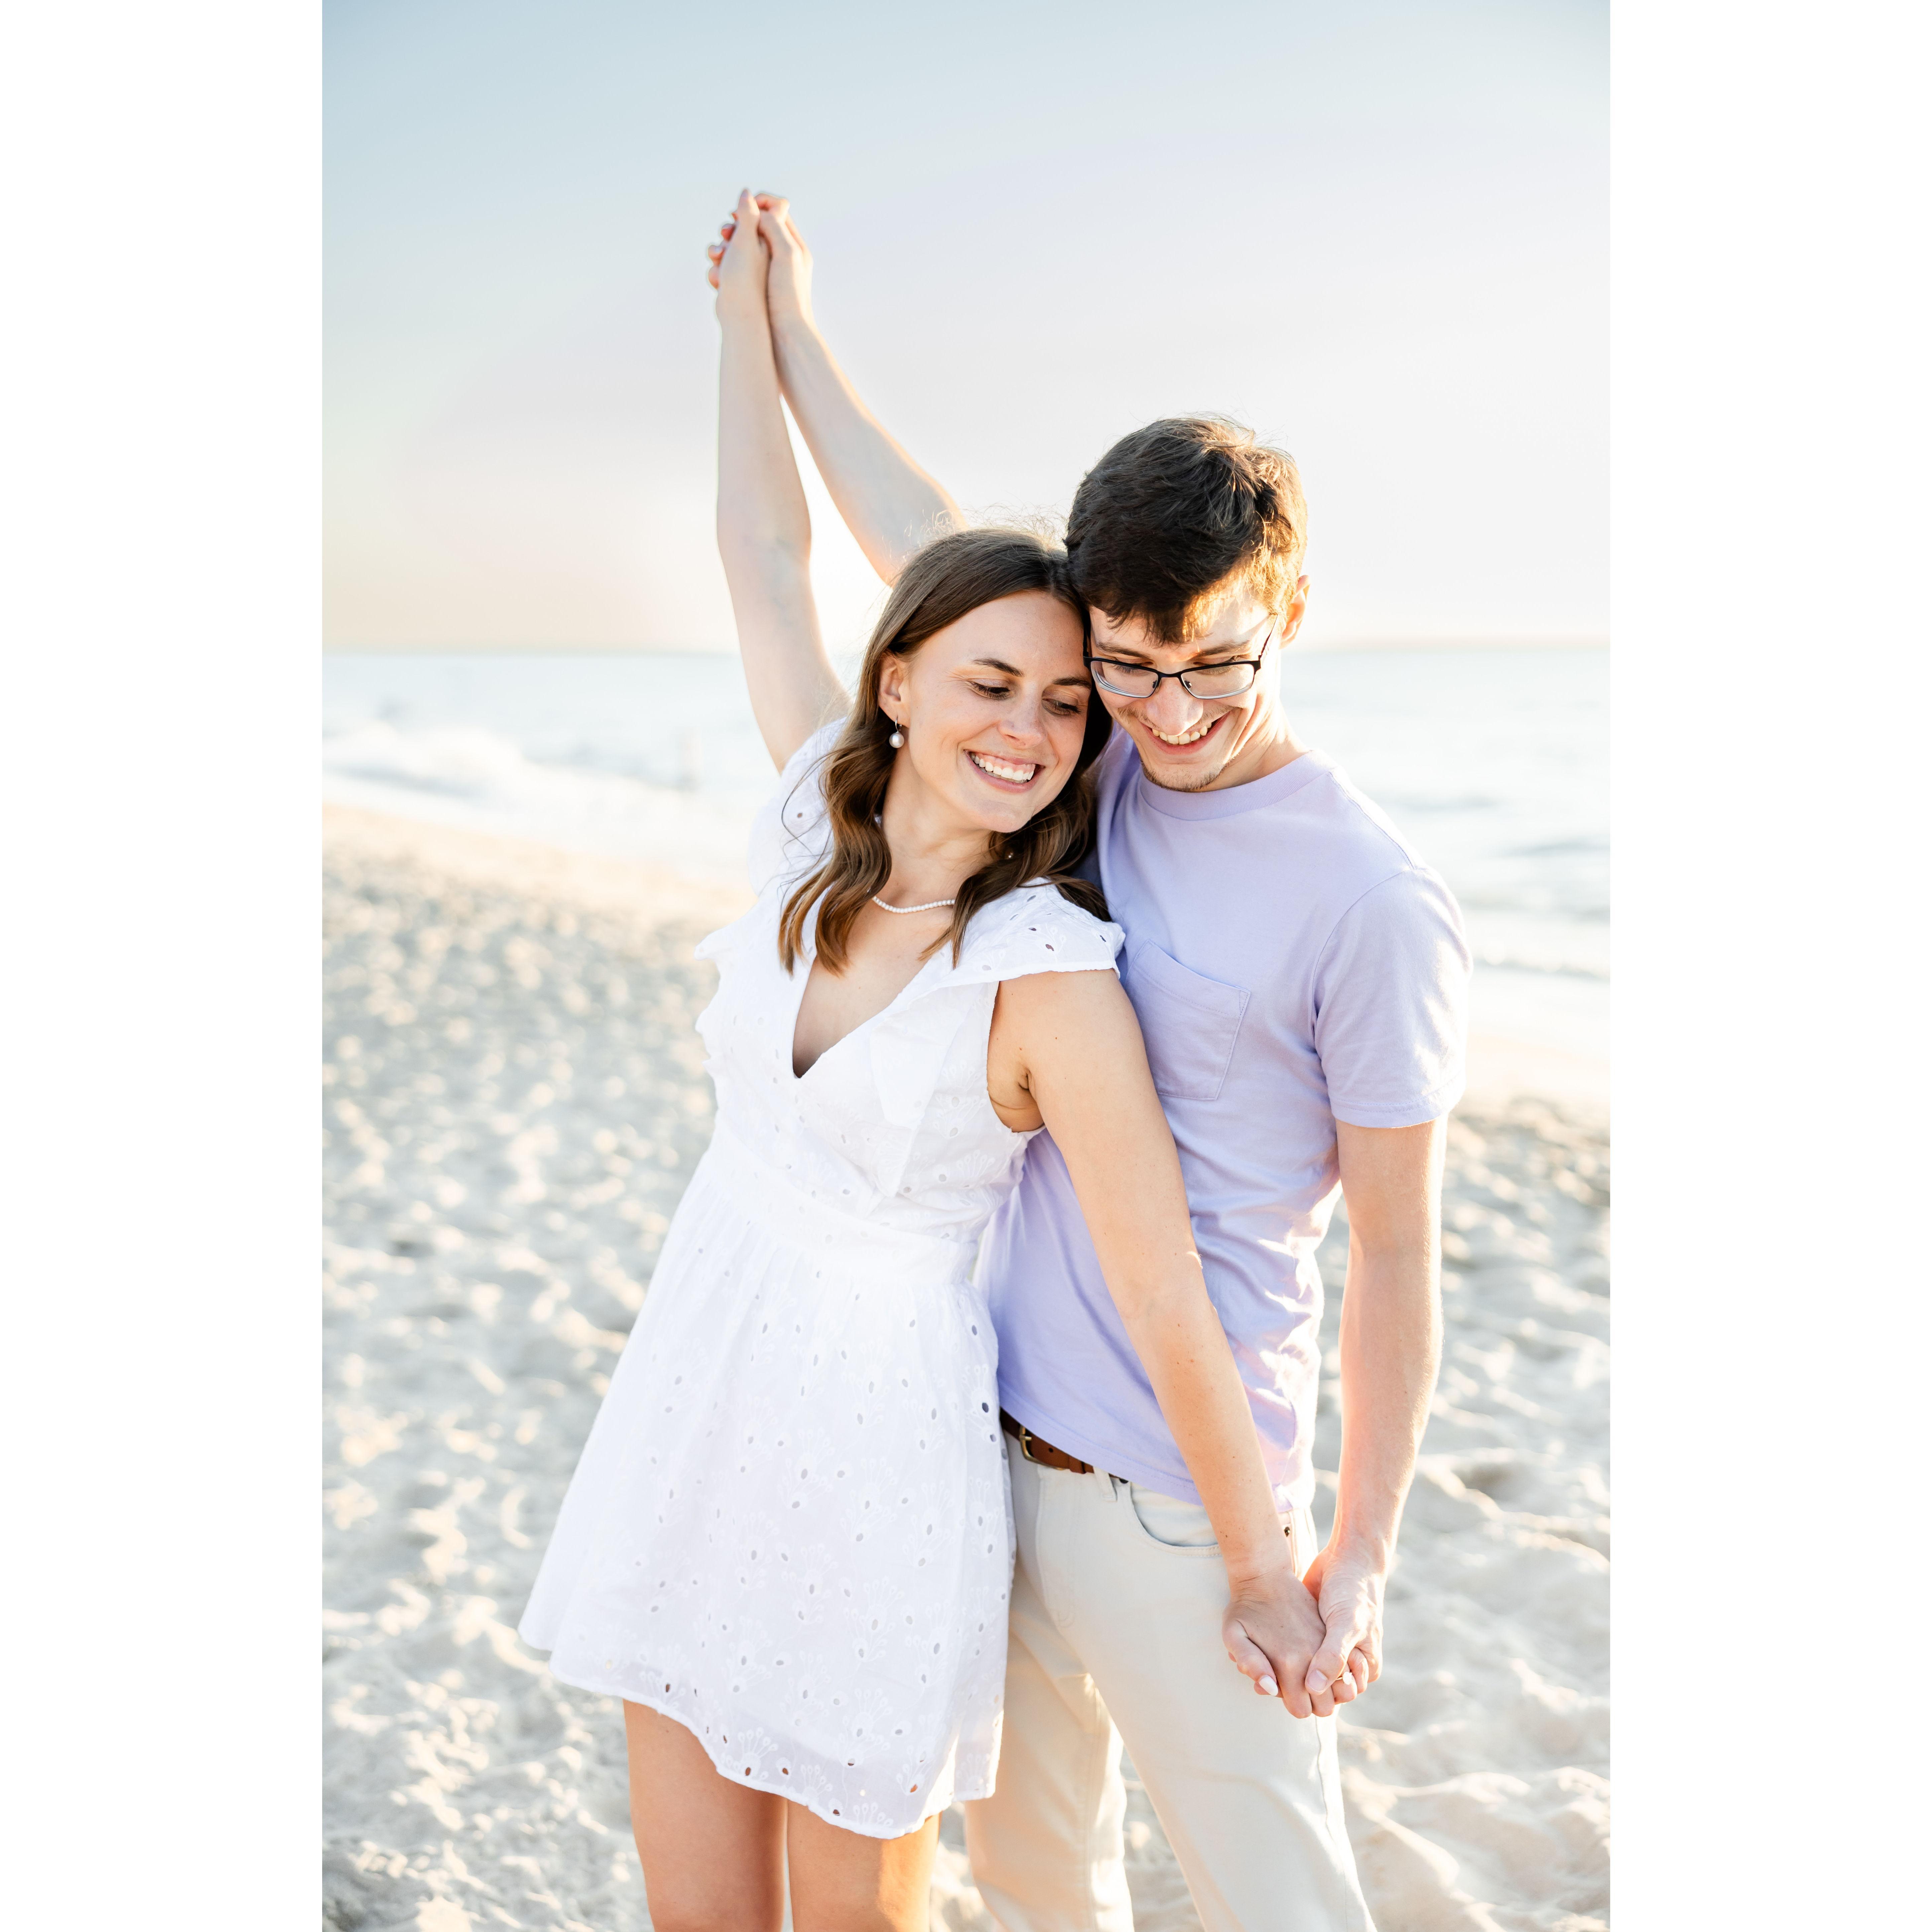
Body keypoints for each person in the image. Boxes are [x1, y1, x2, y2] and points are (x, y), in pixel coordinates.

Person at [520, 194, 1330, 1932]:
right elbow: (761, 544)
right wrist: (758, 324)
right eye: (987, 684)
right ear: (895, 680)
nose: (1030, 733)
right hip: (698, 1381)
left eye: (1064, 706)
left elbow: (1162, 1288)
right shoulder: (797, 810)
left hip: (877, 1457)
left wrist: (1266, 1563)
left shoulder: (1048, 978)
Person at [705, 194, 1473, 1932]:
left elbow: (1398, 1253)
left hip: (1187, 1510)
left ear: (1288, 606)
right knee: (1047, 1890)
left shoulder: (1370, 899)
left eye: (1215, 665)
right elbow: (913, 536)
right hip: (975, 1448)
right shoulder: (1083, 755)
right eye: (1127, 670)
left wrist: (1346, 1557)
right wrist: (784, 326)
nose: (1170, 715)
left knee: (1281, 1896)